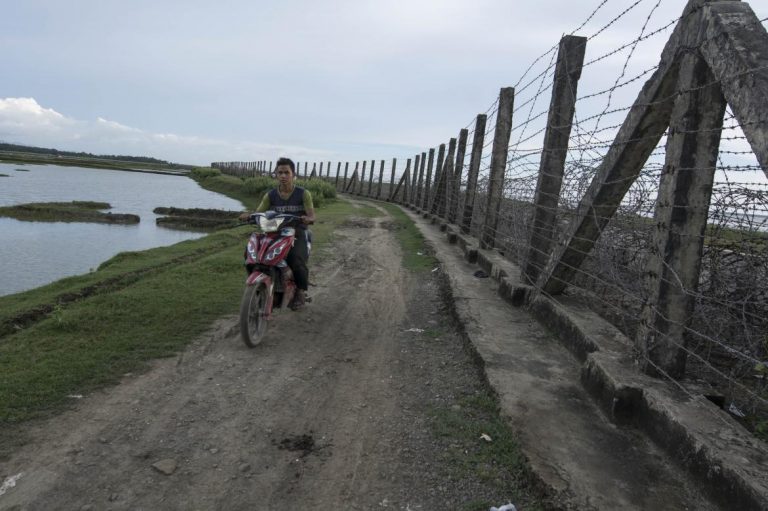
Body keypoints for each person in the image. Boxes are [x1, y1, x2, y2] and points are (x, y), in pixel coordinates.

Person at [239, 157, 315, 310]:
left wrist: (307, 219)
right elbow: (259, 212)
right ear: (276, 174)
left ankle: (300, 291)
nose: (283, 176)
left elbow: (312, 215)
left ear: (293, 174)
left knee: (295, 259)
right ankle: (262, 284)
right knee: (250, 253)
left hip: (296, 231)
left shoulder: (303, 194)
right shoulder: (271, 195)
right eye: (280, 172)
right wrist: (249, 215)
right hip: (273, 231)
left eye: (287, 172)